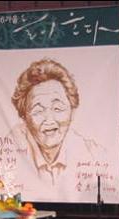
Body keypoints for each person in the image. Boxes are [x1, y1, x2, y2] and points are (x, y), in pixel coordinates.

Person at [7, 58, 110, 201]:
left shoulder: (93, 154)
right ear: (24, 117)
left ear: (72, 110)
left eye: (57, 108)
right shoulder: (9, 152)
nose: (49, 120)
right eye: (38, 111)